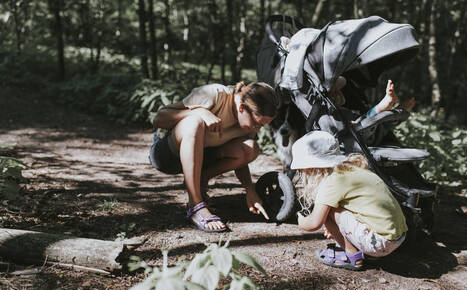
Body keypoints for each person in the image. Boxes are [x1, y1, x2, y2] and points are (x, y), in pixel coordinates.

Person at [150, 82, 279, 232]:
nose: (256, 129)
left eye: (261, 126)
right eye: (256, 124)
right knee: (194, 123)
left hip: (202, 157)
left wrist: (250, 190)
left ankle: (200, 181)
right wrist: (200, 112)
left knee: (251, 147)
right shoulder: (215, 95)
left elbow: (241, 159)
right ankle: (195, 205)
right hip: (168, 155)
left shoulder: (247, 123)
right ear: (242, 108)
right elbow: (159, 118)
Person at [292, 130, 408, 270]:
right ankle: (368, 252)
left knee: (328, 212)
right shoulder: (354, 170)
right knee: (332, 208)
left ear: (311, 168)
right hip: (398, 237)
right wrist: (340, 228)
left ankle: (353, 256)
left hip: (380, 243)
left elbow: (313, 224)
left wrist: (300, 218)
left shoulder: (332, 181)